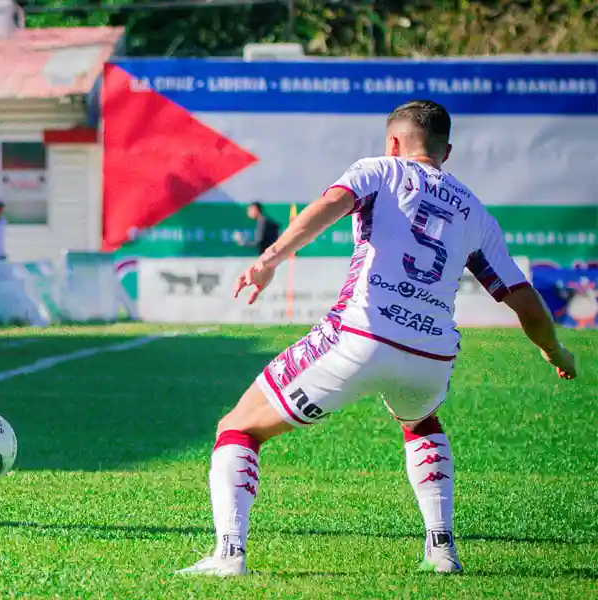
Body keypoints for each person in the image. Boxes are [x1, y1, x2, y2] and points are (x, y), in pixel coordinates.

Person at [176, 100, 578, 577]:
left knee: (238, 426)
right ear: (446, 151)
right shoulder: (474, 211)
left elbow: (328, 206)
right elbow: (524, 301)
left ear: (392, 142)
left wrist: (269, 259)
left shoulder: (379, 170)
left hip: (359, 337)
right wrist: (555, 350)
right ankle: (442, 550)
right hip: (431, 355)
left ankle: (229, 555)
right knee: (421, 421)